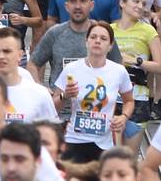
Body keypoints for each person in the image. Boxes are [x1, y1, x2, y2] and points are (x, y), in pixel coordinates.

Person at [51, 22, 134, 162]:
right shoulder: (72, 69)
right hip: (74, 140)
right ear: (86, 41)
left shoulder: (118, 71)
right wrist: (65, 96)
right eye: (93, 37)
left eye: (103, 38)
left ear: (110, 46)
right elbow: (52, 107)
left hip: (103, 143)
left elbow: (129, 101)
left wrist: (123, 117)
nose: (97, 41)